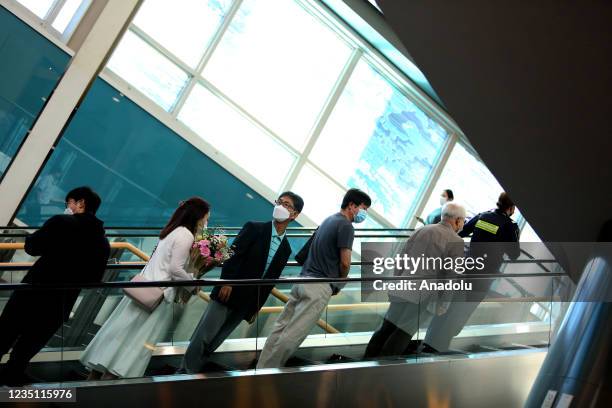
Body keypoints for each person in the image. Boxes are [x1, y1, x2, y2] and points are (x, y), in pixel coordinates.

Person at [80, 197, 210, 380]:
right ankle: (104, 387)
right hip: (157, 298)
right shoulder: (186, 235)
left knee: (117, 338)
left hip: (142, 289)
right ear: (198, 216)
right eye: (206, 218)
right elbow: (175, 269)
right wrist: (193, 283)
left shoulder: (171, 231)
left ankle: (91, 382)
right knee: (130, 346)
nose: (206, 222)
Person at [179, 192, 304, 374]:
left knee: (217, 340)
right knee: (204, 335)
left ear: (294, 215)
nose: (280, 207)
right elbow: (233, 256)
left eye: (287, 205)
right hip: (228, 292)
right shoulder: (254, 228)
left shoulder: (286, 249)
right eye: (280, 202)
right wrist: (227, 282)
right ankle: (184, 372)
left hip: (247, 302)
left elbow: (269, 283)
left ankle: (195, 371)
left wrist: (256, 308)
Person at [0, 187, 110, 386]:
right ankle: (13, 374)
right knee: (31, 342)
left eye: (69, 202)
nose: (67, 207)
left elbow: (32, 247)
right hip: (61, 300)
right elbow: (93, 278)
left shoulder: (61, 222)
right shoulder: (102, 241)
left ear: (80, 203)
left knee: (6, 332)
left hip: (33, 291)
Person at [257, 188, 371, 369]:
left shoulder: (329, 220)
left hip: (302, 280)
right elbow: (345, 263)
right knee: (294, 334)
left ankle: (261, 368)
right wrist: (340, 283)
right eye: (364, 208)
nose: (364, 214)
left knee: (280, 327)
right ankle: (268, 372)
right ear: (352, 205)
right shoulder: (346, 226)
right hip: (318, 287)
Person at [420, 192, 520, 352]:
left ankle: (428, 342)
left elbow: (462, 231)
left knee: (449, 306)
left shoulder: (483, 216)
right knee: (462, 312)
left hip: (466, 267)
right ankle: (438, 347)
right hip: (484, 276)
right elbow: (514, 254)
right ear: (511, 208)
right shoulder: (510, 226)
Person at [364, 202, 466, 358]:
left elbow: (401, 259)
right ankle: (384, 366)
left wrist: (395, 284)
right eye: (463, 220)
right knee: (403, 332)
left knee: (386, 327)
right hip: (423, 295)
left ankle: (367, 360)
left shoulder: (421, 230)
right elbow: (451, 276)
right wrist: (444, 303)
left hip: (402, 287)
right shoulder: (456, 241)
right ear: (457, 220)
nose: (463, 224)